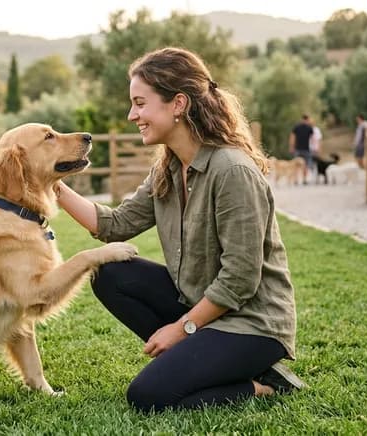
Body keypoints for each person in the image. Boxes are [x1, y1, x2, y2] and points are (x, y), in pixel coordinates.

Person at [54, 47, 304, 413]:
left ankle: (263, 384)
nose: (132, 115)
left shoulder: (231, 171)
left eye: (140, 103)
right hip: (204, 308)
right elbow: (115, 225)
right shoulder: (168, 169)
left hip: (253, 324)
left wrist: (182, 330)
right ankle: (201, 361)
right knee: (110, 274)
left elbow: (240, 278)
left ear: (178, 104)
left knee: (149, 396)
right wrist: (51, 182)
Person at [289, 115, 313, 184]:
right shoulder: (309, 128)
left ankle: (296, 180)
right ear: (307, 119)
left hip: (297, 149)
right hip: (306, 149)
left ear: (301, 119)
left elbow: (292, 137)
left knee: (295, 165)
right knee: (306, 165)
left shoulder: (296, 127)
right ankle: (304, 180)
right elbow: (312, 138)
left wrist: (291, 147)